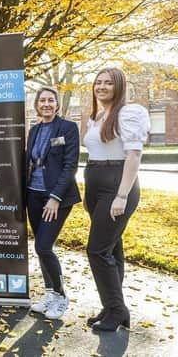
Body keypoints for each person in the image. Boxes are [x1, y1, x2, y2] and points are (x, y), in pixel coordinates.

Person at [83, 67, 150, 332]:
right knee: (112, 249)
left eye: (108, 83)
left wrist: (121, 195)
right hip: (96, 185)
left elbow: (134, 156)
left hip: (116, 185)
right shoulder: (97, 116)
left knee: (97, 250)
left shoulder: (129, 113)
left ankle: (117, 309)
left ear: (119, 86)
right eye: (98, 82)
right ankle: (112, 307)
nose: (101, 87)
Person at [25, 86, 81, 320]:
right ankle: (49, 294)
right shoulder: (34, 130)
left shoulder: (68, 128)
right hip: (33, 195)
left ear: (57, 105)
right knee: (40, 246)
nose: (46, 104)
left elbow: (70, 166)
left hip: (56, 198)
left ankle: (61, 295)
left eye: (51, 100)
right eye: (42, 100)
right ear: (37, 105)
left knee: (43, 246)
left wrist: (55, 198)